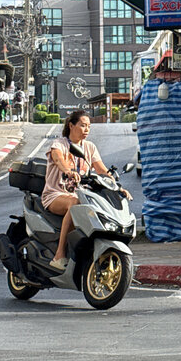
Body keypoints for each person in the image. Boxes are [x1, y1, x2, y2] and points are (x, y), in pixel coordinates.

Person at [42, 109, 132, 272]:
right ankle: (59, 254)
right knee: (75, 203)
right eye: (83, 126)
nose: (86, 130)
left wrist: (119, 188)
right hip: (56, 194)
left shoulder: (89, 147)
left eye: (89, 127)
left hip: (82, 195)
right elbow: (57, 158)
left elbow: (102, 170)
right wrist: (67, 171)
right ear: (71, 125)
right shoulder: (60, 144)